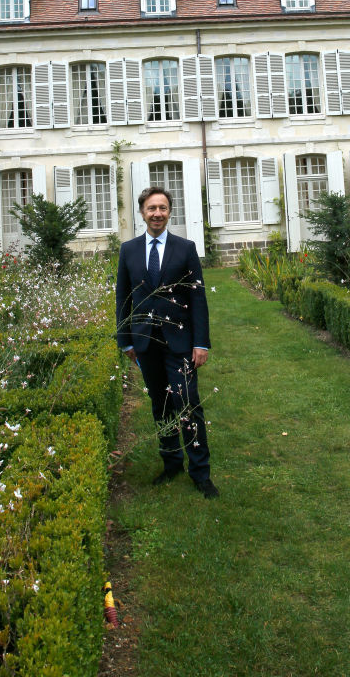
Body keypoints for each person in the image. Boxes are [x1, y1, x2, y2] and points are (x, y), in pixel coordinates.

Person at [115, 186, 219, 499]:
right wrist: (126, 342)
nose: (157, 213)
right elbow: (123, 298)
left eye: (162, 208)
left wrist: (201, 343)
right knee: (160, 406)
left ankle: (200, 472)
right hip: (145, 343)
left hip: (180, 343)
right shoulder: (128, 250)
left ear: (169, 211)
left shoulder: (185, 248)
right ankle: (171, 462)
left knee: (188, 405)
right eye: (151, 208)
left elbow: (198, 298)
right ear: (142, 212)